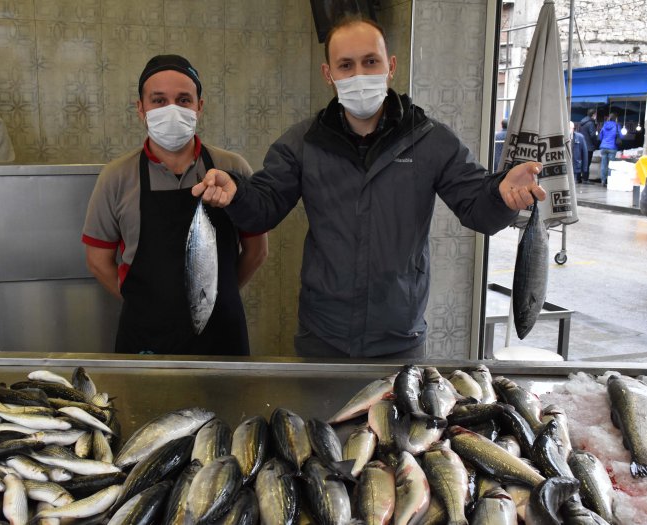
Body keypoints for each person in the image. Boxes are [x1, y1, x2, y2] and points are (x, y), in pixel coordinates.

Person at [193, 17, 545, 360]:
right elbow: (264, 205)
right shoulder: (303, 143)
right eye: (346, 65)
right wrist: (236, 192)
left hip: (399, 338)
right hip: (322, 336)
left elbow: (478, 208)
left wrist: (502, 193)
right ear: (328, 74)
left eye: (370, 61)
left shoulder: (430, 140)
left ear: (390, 67)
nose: (359, 74)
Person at [82, 54, 268, 356]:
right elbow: (97, 261)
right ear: (140, 108)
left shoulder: (232, 168)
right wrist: (144, 303)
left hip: (222, 337)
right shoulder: (116, 177)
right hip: (144, 339)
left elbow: (257, 251)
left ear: (200, 107)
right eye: (158, 100)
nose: (171, 110)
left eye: (183, 100)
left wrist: (218, 294)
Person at [598, 112, 621, 187]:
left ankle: (603, 180)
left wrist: (605, 140)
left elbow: (600, 137)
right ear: (615, 119)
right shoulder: (617, 125)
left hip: (603, 147)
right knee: (611, 165)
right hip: (612, 148)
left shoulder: (604, 125)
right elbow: (621, 136)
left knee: (603, 165)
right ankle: (610, 181)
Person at [578, 108, 598, 183]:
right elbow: (592, 135)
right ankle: (585, 179)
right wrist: (596, 143)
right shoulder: (591, 123)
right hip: (589, 147)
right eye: (595, 114)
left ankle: (578, 178)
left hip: (581, 146)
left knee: (581, 162)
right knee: (587, 163)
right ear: (593, 115)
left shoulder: (582, 122)